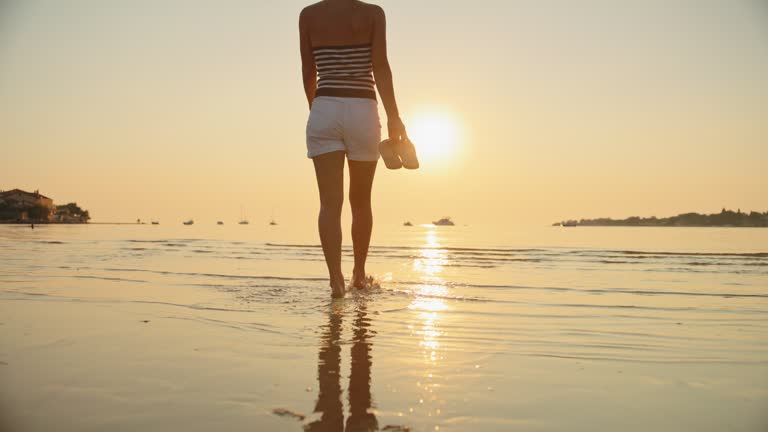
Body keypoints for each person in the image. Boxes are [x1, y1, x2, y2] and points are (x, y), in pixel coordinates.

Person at [300, 0, 407, 298]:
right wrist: (394, 116)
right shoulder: (373, 14)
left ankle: (336, 280)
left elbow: (308, 71)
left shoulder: (309, 15)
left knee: (328, 204)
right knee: (360, 201)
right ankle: (359, 275)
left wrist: (317, 108)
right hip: (362, 108)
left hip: (325, 106)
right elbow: (381, 66)